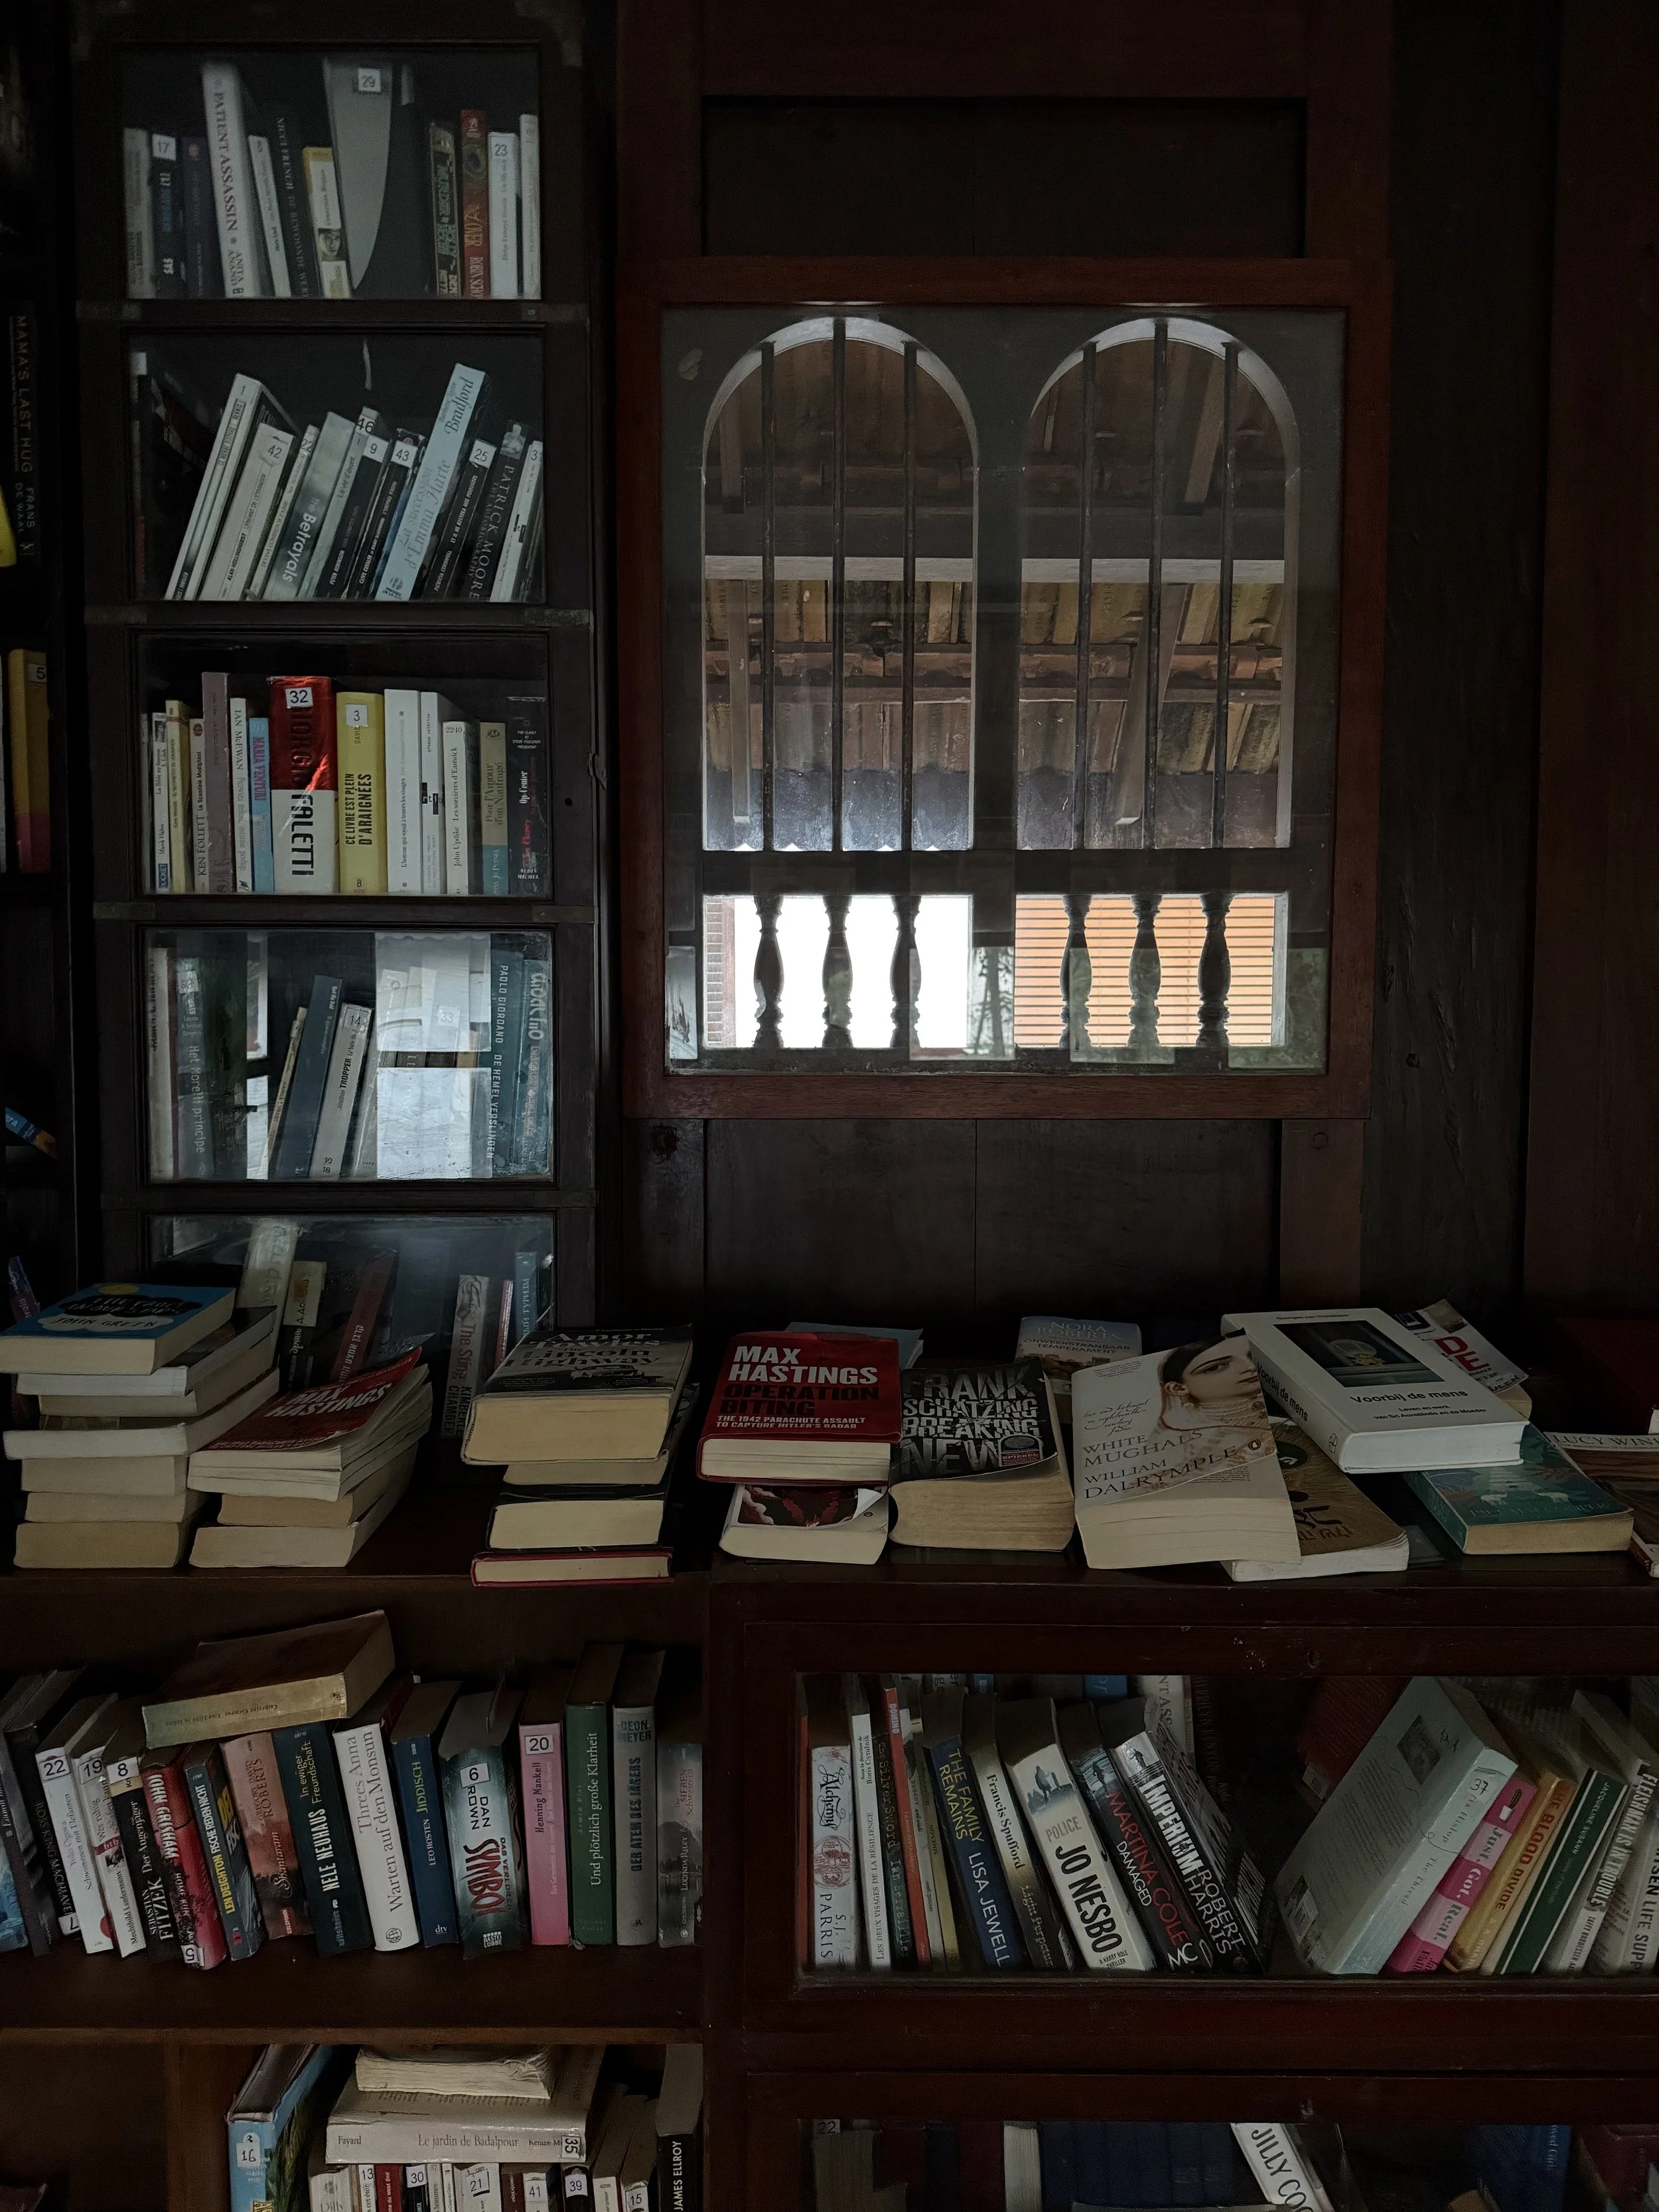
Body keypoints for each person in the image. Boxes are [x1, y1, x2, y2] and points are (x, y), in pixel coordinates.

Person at [1156, 1337, 1275, 1461]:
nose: (1250, 1367)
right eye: (1215, 1367)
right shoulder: (1193, 1444)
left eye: (1251, 1357)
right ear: (1177, 1388)